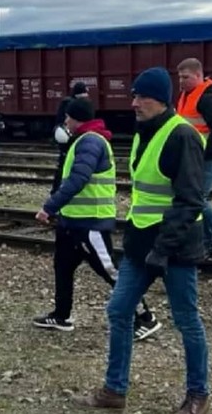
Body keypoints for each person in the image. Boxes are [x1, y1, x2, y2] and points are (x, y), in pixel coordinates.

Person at [74, 67, 210, 414]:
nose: (133, 103)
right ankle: (114, 391)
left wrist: (163, 250)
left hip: (175, 248)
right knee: (119, 310)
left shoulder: (182, 136)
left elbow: (190, 200)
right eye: (134, 96)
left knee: (186, 320)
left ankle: (198, 395)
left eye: (141, 97)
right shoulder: (144, 132)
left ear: (160, 100)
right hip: (141, 243)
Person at [33, 98, 162, 342]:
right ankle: (61, 315)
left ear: (75, 118)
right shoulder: (84, 139)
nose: (65, 122)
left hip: (89, 222)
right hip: (73, 222)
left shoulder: (90, 141)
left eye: (68, 117)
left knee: (110, 270)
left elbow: (78, 179)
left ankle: (146, 317)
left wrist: (50, 207)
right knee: (62, 267)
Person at [175, 58, 212, 258]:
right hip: (196, 156)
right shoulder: (186, 95)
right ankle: (209, 241)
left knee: (197, 198)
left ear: (198, 75)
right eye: (180, 77)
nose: (181, 81)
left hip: (209, 158)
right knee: (195, 198)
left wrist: (203, 153)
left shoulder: (207, 98)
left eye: (186, 77)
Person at [51, 81, 89, 194]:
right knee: (65, 165)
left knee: (64, 165)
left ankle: (56, 190)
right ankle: (57, 190)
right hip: (68, 138)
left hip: (66, 137)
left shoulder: (68, 102)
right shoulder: (72, 104)